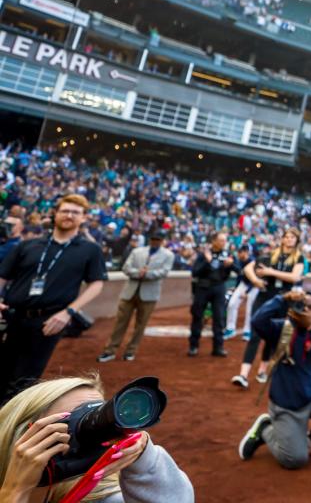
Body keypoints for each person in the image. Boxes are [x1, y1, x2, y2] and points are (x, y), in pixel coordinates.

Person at [0, 374, 194, 502]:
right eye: (70, 420)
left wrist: (147, 464)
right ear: (22, 435)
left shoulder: (103, 494)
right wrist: (15, 492)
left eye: (98, 413)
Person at [0, 195, 107, 404]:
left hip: (48, 322)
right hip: (11, 317)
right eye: (65, 211)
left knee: (23, 382)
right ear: (55, 214)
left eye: (75, 212)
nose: (69, 215)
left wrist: (69, 312)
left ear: (84, 218)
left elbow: (97, 283)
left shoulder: (90, 250)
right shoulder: (28, 245)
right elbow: (3, 276)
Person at [238, 289, 311, 468]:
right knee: (295, 459)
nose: (306, 310)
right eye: (301, 306)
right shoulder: (281, 328)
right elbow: (257, 321)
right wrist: (282, 299)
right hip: (286, 405)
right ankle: (266, 430)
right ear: (293, 309)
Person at [232, 228, 304, 389]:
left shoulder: (299, 258)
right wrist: (255, 281)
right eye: (287, 236)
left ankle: (262, 370)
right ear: (283, 239)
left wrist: (271, 272)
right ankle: (243, 375)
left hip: (283, 300)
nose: (289, 239)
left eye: (293, 237)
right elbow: (248, 268)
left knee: (273, 336)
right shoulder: (271, 255)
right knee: (255, 334)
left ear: (297, 241)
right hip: (264, 297)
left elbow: (294, 277)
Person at [97, 230, 175, 363]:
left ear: (162, 241)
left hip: (149, 295)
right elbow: (126, 268)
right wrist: (138, 273)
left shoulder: (168, 255)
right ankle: (110, 350)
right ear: (149, 239)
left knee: (140, 325)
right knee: (120, 322)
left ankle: (130, 351)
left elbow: (164, 272)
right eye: (153, 239)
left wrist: (147, 274)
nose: (155, 242)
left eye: (158, 239)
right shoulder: (137, 251)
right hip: (129, 292)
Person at [188, 231, 236, 358]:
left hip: (219, 287)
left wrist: (232, 263)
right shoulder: (204, 255)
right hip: (203, 288)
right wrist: (207, 262)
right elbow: (195, 272)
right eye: (221, 240)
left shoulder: (227, 255)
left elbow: (238, 269)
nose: (223, 243)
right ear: (214, 241)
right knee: (197, 316)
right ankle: (193, 346)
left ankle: (218, 347)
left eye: (224, 241)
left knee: (219, 318)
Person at [224, 247, 256, 340]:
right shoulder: (240, 261)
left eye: (240, 252)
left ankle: (248, 331)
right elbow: (240, 276)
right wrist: (237, 287)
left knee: (250, 308)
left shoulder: (253, 261)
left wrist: (247, 292)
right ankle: (230, 329)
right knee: (232, 304)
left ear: (246, 252)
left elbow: (255, 279)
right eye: (238, 252)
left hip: (254, 285)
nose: (238, 254)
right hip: (243, 284)